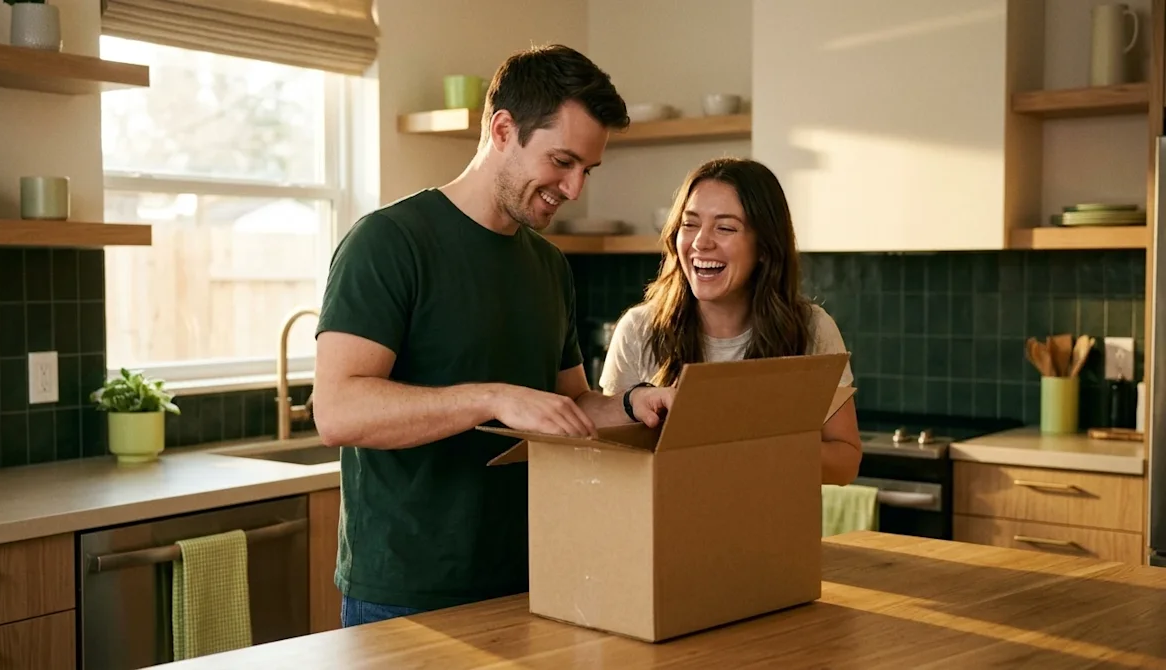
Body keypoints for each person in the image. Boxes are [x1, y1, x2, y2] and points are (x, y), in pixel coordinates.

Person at [310, 44, 676, 628]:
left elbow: (569, 405)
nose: (575, 188)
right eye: (562, 161)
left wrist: (635, 405)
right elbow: (337, 410)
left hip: (530, 579)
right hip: (407, 591)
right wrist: (493, 397)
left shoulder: (549, 265)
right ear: (503, 129)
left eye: (587, 169)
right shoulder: (388, 243)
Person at [599, 157, 862, 486]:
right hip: (665, 530)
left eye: (725, 227)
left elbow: (845, 462)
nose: (700, 242)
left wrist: (749, 446)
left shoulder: (811, 328)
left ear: (765, 247)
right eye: (689, 223)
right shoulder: (639, 330)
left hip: (769, 530)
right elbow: (609, 461)